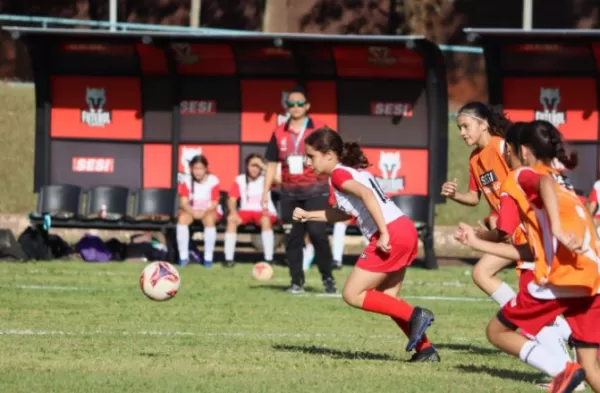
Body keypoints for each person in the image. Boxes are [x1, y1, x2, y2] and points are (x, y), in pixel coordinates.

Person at [456, 120, 600, 393]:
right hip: (592, 278)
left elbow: (539, 185)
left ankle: (562, 369)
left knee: (496, 332)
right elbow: (529, 251)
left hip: (560, 278)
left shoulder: (522, 176)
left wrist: (556, 228)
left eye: (509, 152)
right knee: (591, 366)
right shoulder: (563, 181)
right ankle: (569, 369)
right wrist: (476, 242)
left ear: (521, 150)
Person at [293, 127, 439, 362]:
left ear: (329, 155)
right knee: (388, 298)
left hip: (391, 231)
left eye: (311, 156)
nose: (308, 162)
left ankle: (416, 315)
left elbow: (368, 197)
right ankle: (426, 350)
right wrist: (310, 216)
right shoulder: (349, 172)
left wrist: (383, 233)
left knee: (352, 293)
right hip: (403, 228)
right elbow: (344, 214)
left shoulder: (338, 175)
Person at [441, 102, 573, 356]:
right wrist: (456, 194)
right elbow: (475, 196)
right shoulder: (475, 159)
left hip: (523, 231)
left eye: (466, 126)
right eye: (459, 128)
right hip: (507, 231)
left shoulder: (502, 147)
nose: (462, 133)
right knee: (482, 274)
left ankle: (556, 349)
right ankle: (546, 329)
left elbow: (525, 182)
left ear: (484, 124)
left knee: (533, 296)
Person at [262, 86, 336, 294]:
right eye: (291, 104)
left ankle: (328, 277)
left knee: (317, 233)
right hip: (289, 193)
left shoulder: (320, 128)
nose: (295, 107)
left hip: (316, 190)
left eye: (299, 103)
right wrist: (264, 193)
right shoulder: (279, 131)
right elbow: (270, 164)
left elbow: (332, 155)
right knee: (293, 238)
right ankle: (296, 281)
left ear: (307, 106)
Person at [223, 154, 278, 267]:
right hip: (246, 211)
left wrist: (262, 166)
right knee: (231, 220)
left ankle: (268, 259)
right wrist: (233, 212)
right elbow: (232, 199)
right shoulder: (240, 179)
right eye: (252, 165)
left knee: (265, 220)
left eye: (257, 166)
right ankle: (228, 259)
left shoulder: (266, 178)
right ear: (246, 166)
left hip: (264, 211)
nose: (254, 169)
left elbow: (279, 179)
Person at [177, 155, 222, 268]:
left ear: (206, 168)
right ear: (191, 169)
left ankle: (208, 259)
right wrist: (193, 212)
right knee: (182, 219)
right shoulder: (186, 180)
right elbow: (184, 202)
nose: (198, 172)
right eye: (195, 168)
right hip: (192, 210)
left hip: (209, 210)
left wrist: (203, 212)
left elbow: (214, 203)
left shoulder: (213, 180)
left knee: (209, 220)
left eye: (200, 168)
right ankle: (183, 257)